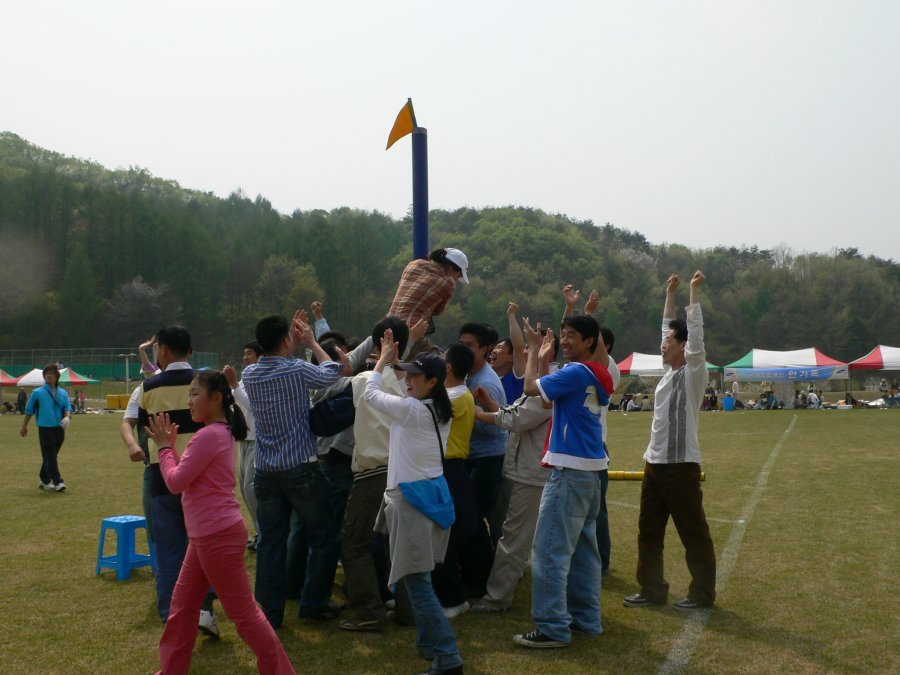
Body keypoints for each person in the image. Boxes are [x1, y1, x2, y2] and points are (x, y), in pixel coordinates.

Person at [145, 371, 296, 675]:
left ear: (216, 398)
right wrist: (170, 448)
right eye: (189, 394)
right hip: (206, 536)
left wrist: (163, 447)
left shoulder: (208, 435)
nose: (189, 401)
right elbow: (186, 479)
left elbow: (175, 482)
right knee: (182, 608)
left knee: (244, 615)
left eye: (195, 393)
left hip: (216, 536)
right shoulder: (217, 432)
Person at [513, 315, 613, 649]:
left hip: (569, 473)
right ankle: (586, 619)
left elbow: (530, 390)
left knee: (549, 551)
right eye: (563, 335)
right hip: (591, 473)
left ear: (589, 341)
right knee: (585, 553)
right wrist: (542, 359)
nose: (565, 341)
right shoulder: (598, 373)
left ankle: (553, 627)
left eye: (572, 336)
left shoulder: (574, 372)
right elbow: (547, 397)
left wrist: (529, 351)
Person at [366, 336, 463, 675]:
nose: (408, 380)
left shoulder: (412, 410)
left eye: (414, 377)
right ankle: (428, 645)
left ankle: (448, 658)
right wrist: (395, 361)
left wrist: (381, 362)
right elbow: (395, 395)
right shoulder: (438, 408)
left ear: (433, 382)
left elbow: (371, 394)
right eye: (406, 375)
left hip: (410, 503)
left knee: (417, 582)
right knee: (418, 579)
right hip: (427, 499)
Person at [240, 311, 342, 628]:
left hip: (266, 470)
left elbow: (280, 364)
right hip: (301, 468)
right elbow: (332, 372)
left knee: (271, 541)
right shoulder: (297, 370)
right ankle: (314, 603)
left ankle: (270, 613)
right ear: (286, 340)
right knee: (324, 534)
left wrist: (291, 345)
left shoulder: (250, 375)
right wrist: (311, 341)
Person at [624, 271, 717, 612]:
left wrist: (692, 293)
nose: (662, 344)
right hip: (655, 464)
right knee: (648, 531)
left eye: (669, 341)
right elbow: (667, 325)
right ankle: (651, 589)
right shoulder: (667, 375)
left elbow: (696, 336)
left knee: (693, 532)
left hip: (681, 467)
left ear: (683, 346)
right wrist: (669, 293)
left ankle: (702, 594)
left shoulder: (693, 373)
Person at [124, 326, 219, 632]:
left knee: (168, 549)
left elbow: (138, 426)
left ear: (162, 350)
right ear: (190, 351)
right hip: (202, 475)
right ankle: (205, 610)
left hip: (162, 474)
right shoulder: (206, 383)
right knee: (202, 546)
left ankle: (172, 615)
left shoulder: (148, 387)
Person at [469, 330, 554, 614]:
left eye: (531, 351)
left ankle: (497, 597)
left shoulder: (546, 390)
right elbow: (514, 411)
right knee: (514, 535)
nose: (526, 355)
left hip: (530, 475)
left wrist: (479, 413)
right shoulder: (543, 387)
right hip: (522, 472)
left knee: (513, 538)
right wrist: (491, 407)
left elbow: (518, 418)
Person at [458, 322, 508, 557]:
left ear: (485, 349)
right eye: (461, 344)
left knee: (473, 515)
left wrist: (467, 415)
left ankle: (481, 572)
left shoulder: (485, 383)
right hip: (474, 455)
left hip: (487, 458)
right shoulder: (468, 375)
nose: (463, 350)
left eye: (469, 345)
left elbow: (495, 429)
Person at [388, 248, 470, 355]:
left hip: (388, 323)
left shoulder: (413, 264)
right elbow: (437, 311)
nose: (456, 279)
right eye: (458, 275)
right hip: (412, 330)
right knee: (437, 363)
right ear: (451, 268)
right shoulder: (448, 283)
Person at [223, 340, 264, 550]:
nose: (245, 357)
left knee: (251, 487)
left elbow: (254, 406)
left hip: (258, 439)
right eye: (244, 354)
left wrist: (235, 385)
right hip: (245, 439)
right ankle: (259, 533)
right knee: (244, 486)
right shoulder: (245, 379)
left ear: (260, 357)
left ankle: (265, 533)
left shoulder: (259, 378)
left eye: (249, 353)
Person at [20, 364, 73, 491]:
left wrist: (67, 417)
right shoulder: (37, 393)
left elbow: (68, 407)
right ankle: (58, 482)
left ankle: (44, 479)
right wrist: (24, 426)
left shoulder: (63, 392)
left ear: (57, 376)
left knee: (50, 456)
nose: (48, 375)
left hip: (60, 428)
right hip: (45, 428)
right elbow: (29, 410)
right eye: (46, 373)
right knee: (51, 455)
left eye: (51, 373)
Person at [490, 302, 526, 404]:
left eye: (500, 347)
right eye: (494, 347)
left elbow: (518, 347)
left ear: (511, 357)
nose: (493, 351)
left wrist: (511, 315)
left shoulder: (516, 379)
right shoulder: (486, 378)